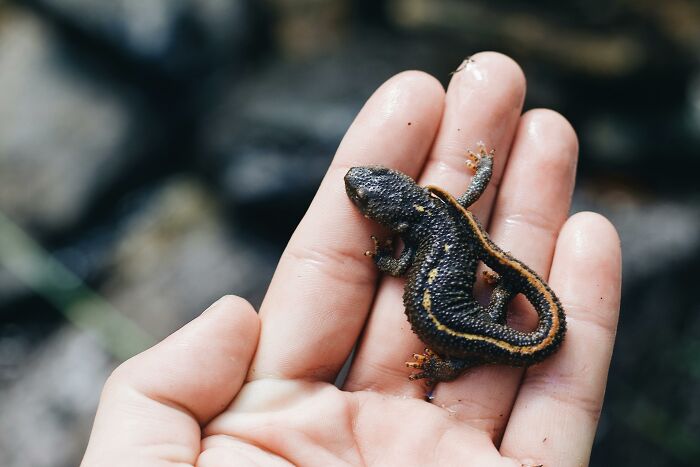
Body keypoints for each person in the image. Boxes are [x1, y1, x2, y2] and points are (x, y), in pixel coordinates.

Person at [81, 52, 621, 466]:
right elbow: (463, 203)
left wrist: (402, 285)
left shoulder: (422, 226)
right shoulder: (437, 208)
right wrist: (488, 275)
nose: (360, 190)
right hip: (471, 320)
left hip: (464, 332)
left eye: (371, 194)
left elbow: (398, 266)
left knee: (470, 342)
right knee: (482, 321)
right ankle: (498, 297)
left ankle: (483, 317)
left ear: (398, 207)